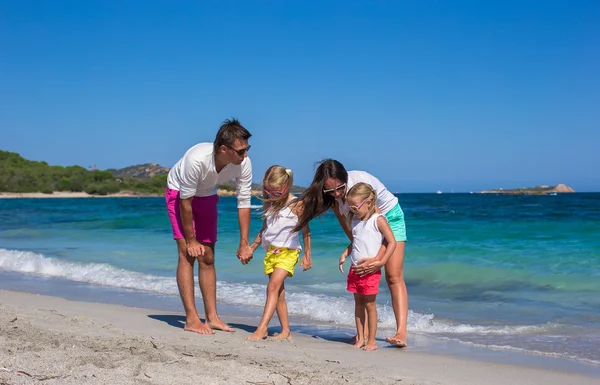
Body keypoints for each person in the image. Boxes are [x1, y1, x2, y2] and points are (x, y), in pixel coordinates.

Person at [294, 159, 409, 347]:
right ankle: (362, 334)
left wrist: (378, 259)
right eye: (330, 191)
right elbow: (352, 229)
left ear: (345, 177)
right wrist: (355, 249)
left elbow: (378, 228)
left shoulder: (359, 184)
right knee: (361, 280)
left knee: (393, 275)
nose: (337, 194)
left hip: (389, 218)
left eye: (340, 188)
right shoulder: (334, 197)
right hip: (367, 225)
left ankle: (401, 332)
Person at [165, 118, 254, 335]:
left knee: (208, 256)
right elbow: (185, 202)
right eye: (241, 151)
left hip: (207, 194)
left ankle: (212, 317)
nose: (245, 155)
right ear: (224, 149)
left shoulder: (244, 164)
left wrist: (244, 243)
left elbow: (243, 202)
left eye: (247, 149)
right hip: (179, 193)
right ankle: (191, 319)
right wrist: (191, 239)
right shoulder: (197, 160)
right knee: (188, 253)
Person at [247, 166, 312, 341]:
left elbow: (306, 232)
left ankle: (262, 328)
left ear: (287, 185)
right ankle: (286, 331)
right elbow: (264, 230)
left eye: (277, 191)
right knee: (279, 293)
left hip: (288, 253)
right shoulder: (269, 203)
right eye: (268, 191)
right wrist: (251, 248)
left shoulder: (296, 204)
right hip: (271, 253)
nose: (272, 194)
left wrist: (307, 255)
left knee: (272, 287)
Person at [339, 183, 396, 350]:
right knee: (358, 304)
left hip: (370, 271)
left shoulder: (378, 220)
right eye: (351, 208)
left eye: (355, 207)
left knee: (370, 305)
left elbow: (391, 242)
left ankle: (372, 340)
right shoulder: (356, 221)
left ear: (369, 203)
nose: (353, 211)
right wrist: (344, 254)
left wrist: (382, 261)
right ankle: (360, 338)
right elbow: (355, 242)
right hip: (355, 269)